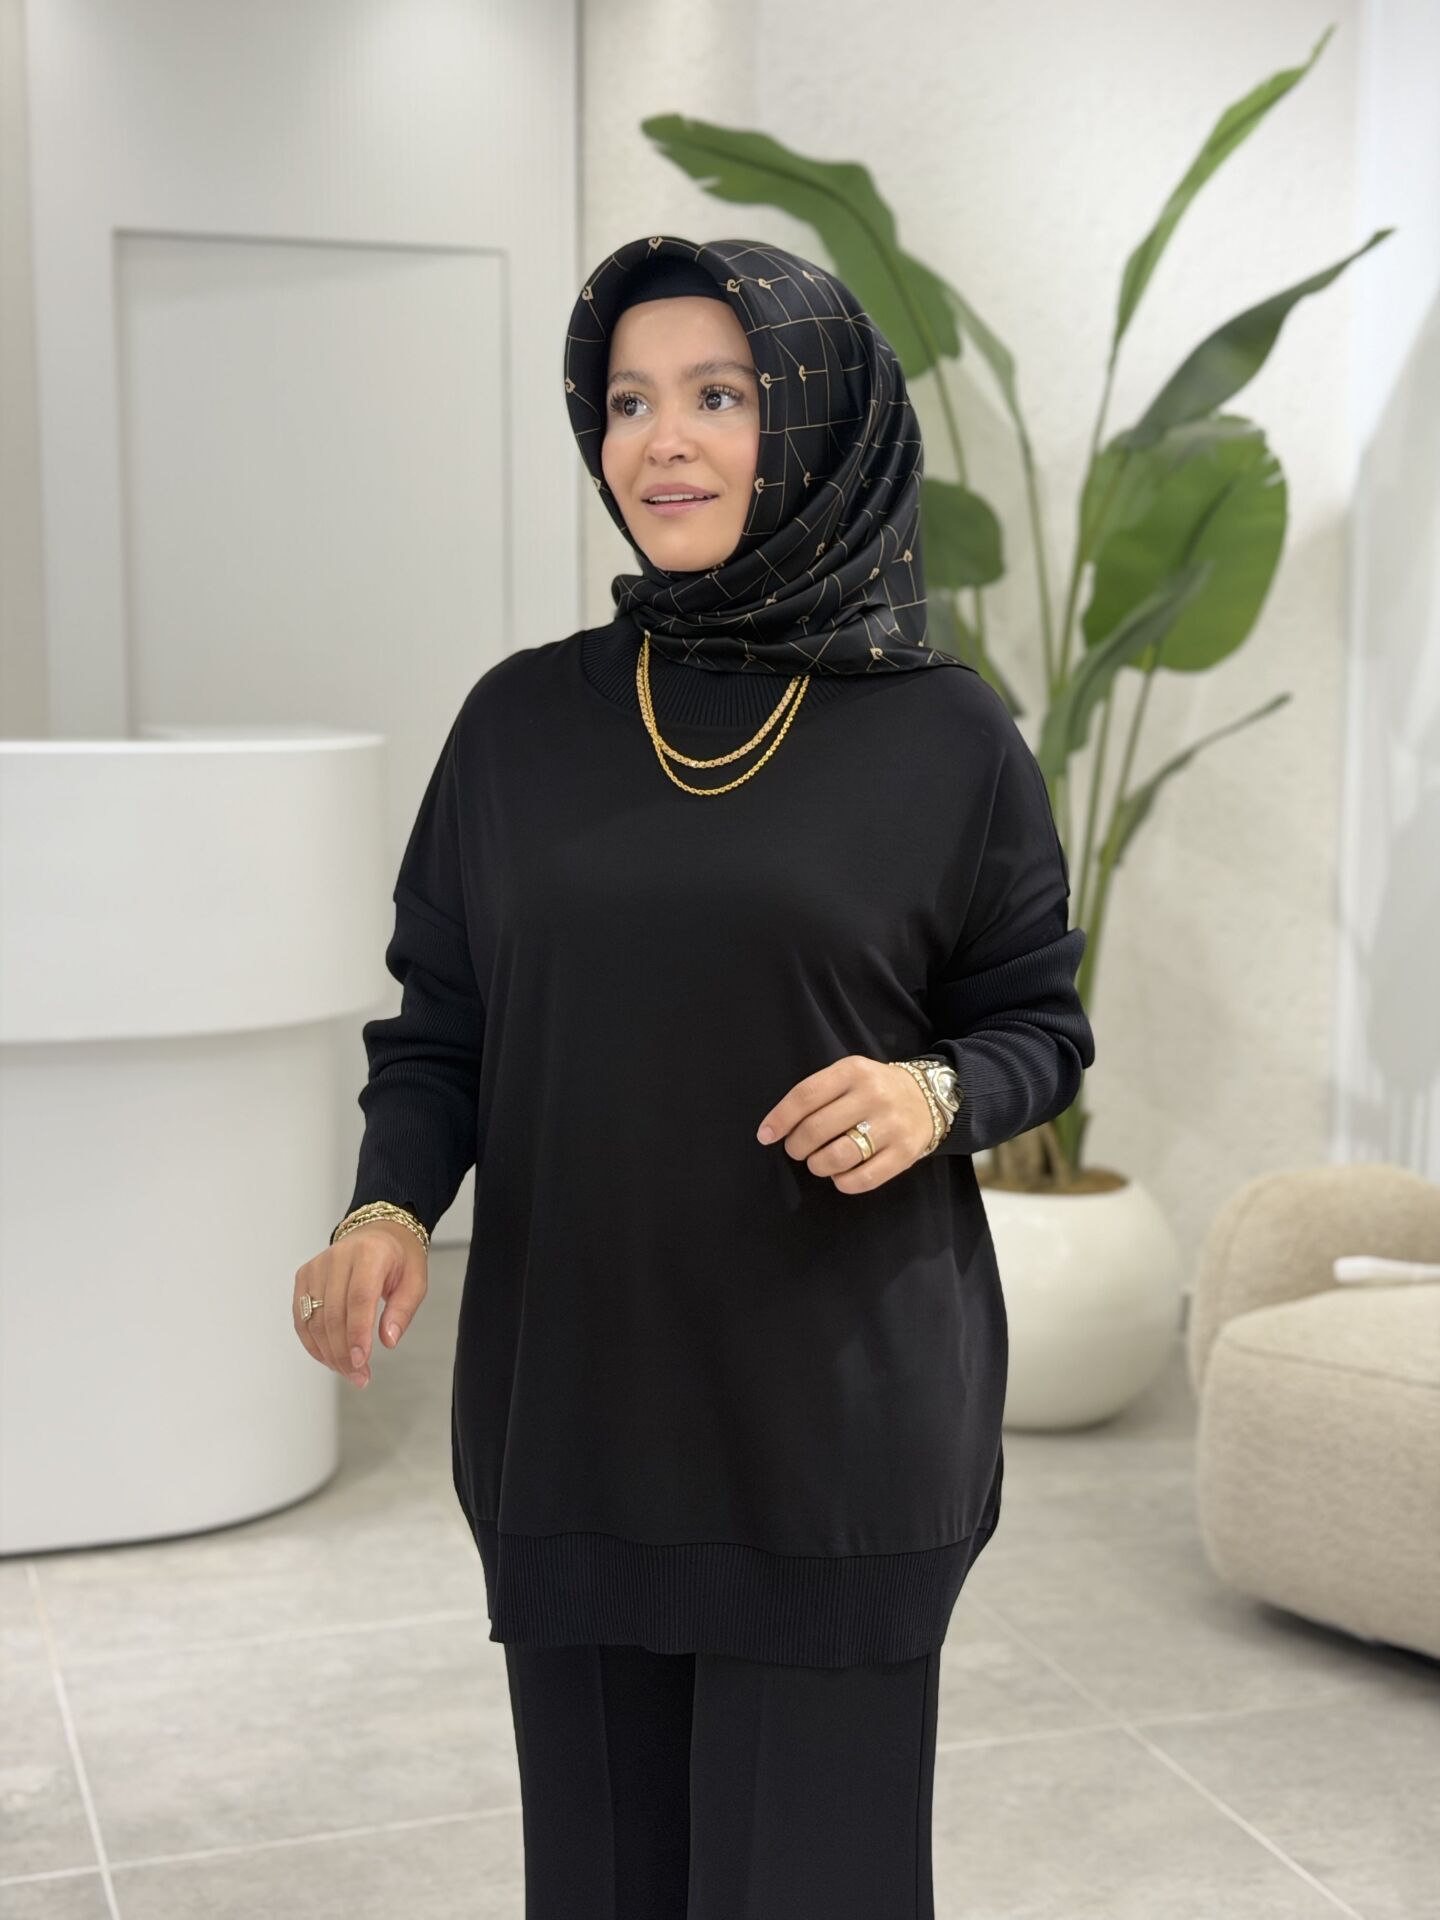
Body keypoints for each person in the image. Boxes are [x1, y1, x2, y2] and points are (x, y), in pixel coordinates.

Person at [293, 234, 1096, 1919]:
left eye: (719, 396)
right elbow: (440, 1026)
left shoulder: (949, 738)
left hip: (838, 1424)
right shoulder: (516, 728)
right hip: (575, 1415)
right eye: (629, 401)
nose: (663, 440)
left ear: (815, 423)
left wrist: (932, 1097)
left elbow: (1038, 1026)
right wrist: (385, 1207)